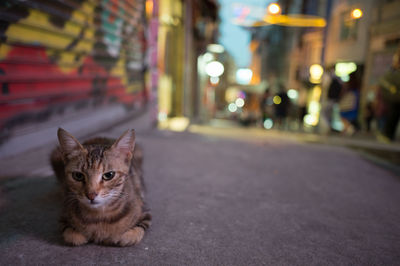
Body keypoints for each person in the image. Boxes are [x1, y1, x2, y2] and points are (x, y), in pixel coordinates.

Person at [378, 46, 400, 141]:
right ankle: (387, 134)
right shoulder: (394, 69)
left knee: (394, 113)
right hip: (396, 96)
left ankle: (387, 135)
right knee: (393, 112)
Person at [321, 66, 343, 132]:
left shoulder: (335, 80)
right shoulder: (334, 79)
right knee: (328, 113)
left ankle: (330, 127)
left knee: (325, 112)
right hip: (331, 99)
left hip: (332, 99)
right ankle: (330, 127)